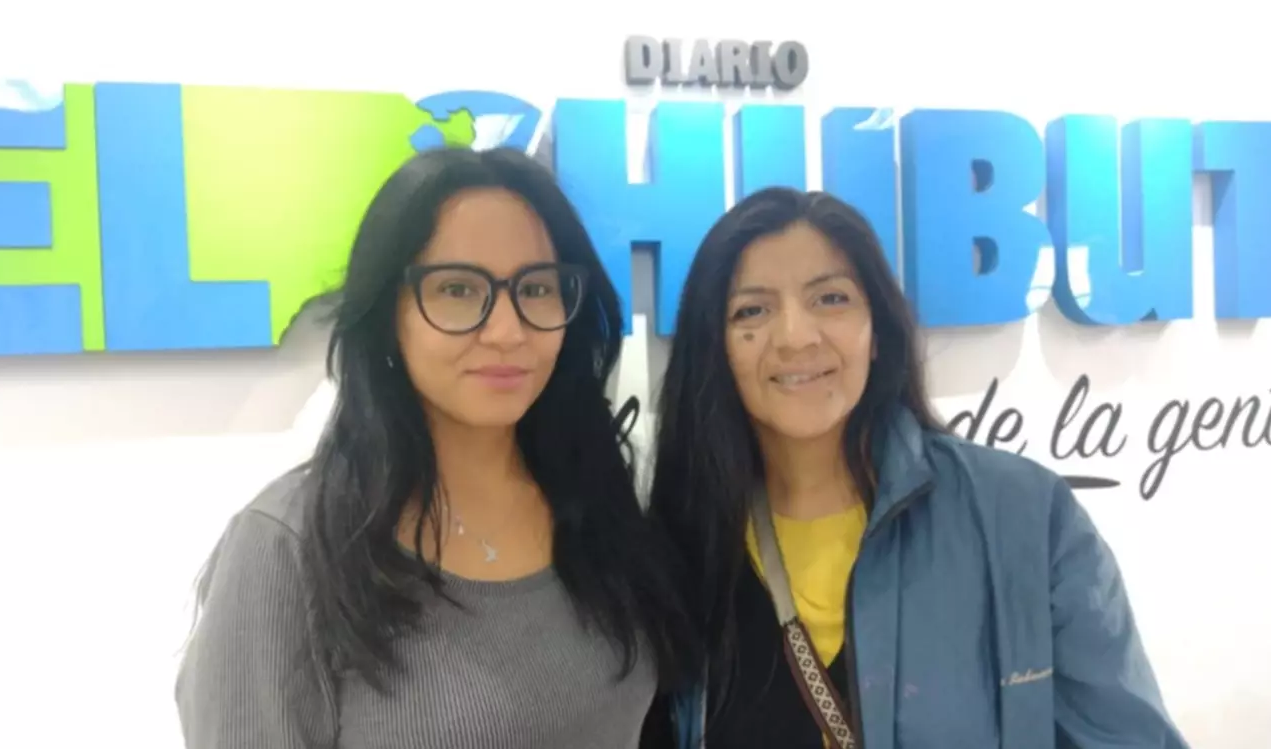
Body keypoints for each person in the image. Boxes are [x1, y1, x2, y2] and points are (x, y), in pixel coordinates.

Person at [176, 147, 698, 749]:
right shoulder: (289, 547)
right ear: (387, 315)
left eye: (536, 288)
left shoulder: (591, 497)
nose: (507, 331)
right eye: (457, 288)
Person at [646, 187, 1189, 748]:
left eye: (830, 298)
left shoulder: (1024, 517)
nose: (796, 337)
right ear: (716, 348)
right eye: (752, 310)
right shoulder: (680, 545)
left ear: (877, 333)